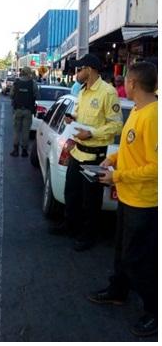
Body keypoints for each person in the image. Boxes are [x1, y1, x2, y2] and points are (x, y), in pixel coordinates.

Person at [89, 61, 157, 337]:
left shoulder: (153, 116)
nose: (123, 86)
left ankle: (154, 311)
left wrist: (117, 177)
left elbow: (156, 166)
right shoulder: (139, 111)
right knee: (121, 252)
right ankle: (118, 290)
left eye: (125, 81)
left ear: (132, 83)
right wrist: (113, 158)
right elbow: (132, 147)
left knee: (137, 259)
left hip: (144, 201)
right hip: (129, 198)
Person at [49, 53, 123, 251]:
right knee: (71, 192)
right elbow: (81, 116)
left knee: (91, 200)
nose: (76, 73)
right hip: (77, 152)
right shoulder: (82, 91)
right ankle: (70, 225)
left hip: (95, 154)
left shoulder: (107, 92)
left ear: (89, 69)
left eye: (79, 69)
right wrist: (72, 119)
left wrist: (91, 133)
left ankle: (88, 236)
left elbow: (116, 126)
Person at [10, 66, 37, 157]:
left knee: (17, 131)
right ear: (29, 73)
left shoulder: (16, 83)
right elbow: (37, 96)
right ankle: (24, 151)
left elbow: (11, 95)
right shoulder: (32, 83)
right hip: (28, 110)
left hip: (17, 110)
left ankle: (15, 150)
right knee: (26, 131)